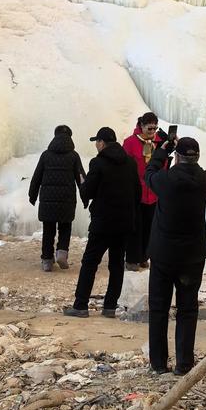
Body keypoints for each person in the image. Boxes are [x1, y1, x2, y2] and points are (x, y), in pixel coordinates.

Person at [145, 135, 206, 375]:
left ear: (177, 157)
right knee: (188, 309)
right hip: (193, 255)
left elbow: (149, 173)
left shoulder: (166, 179)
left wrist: (161, 153)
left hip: (164, 254)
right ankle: (184, 363)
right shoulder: (205, 179)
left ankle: (159, 363)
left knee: (159, 308)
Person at [63, 127, 141, 319]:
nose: (96, 145)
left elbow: (87, 192)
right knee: (116, 265)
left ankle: (81, 305)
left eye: (97, 142)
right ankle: (110, 307)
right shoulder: (130, 162)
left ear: (102, 143)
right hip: (123, 224)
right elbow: (137, 192)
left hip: (103, 222)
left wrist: (83, 183)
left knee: (90, 263)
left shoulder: (97, 163)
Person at [28, 125, 85, 272]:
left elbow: (36, 177)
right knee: (65, 227)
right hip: (66, 200)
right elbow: (81, 179)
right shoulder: (73, 156)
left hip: (48, 201)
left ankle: (47, 260)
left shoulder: (46, 155)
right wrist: (85, 197)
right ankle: (61, 253)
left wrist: (32, 195)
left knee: (49, 229)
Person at [123, 112, 166, 270]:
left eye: (155, 128)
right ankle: (132, 258)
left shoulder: (160, 143)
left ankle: (144, 256)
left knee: (150, 226)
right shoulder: (130, 143)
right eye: (149, 128)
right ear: (141, 126)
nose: (152, 131)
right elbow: (125, 166)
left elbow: (165, 163)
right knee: (135, 226)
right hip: (136, 191)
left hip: (154, 192)